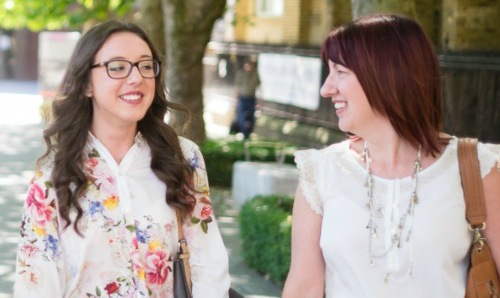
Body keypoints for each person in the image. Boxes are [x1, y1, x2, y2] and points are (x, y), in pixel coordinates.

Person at [282, 14, 500, 298]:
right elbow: (303, 287)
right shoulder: (320, 172)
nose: (326, 89)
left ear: (385, 74)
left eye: (340, 72)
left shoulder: (474, 167)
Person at [13, 20, 231, 297]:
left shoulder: (182, 157)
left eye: (146, 65)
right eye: (117, 67)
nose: (136, 78)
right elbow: (36, 285)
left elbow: (208, 262)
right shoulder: (52, 178)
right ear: (86, 85)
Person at [234, 59, 260, 139]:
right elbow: (237, 87)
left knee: (251, 117)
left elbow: (259, 85)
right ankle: (243, 132)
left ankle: (248, 133)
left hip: (251, 99)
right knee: (241, 116)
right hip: (242, 98)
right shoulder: (241, 74)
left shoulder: (255, 75)